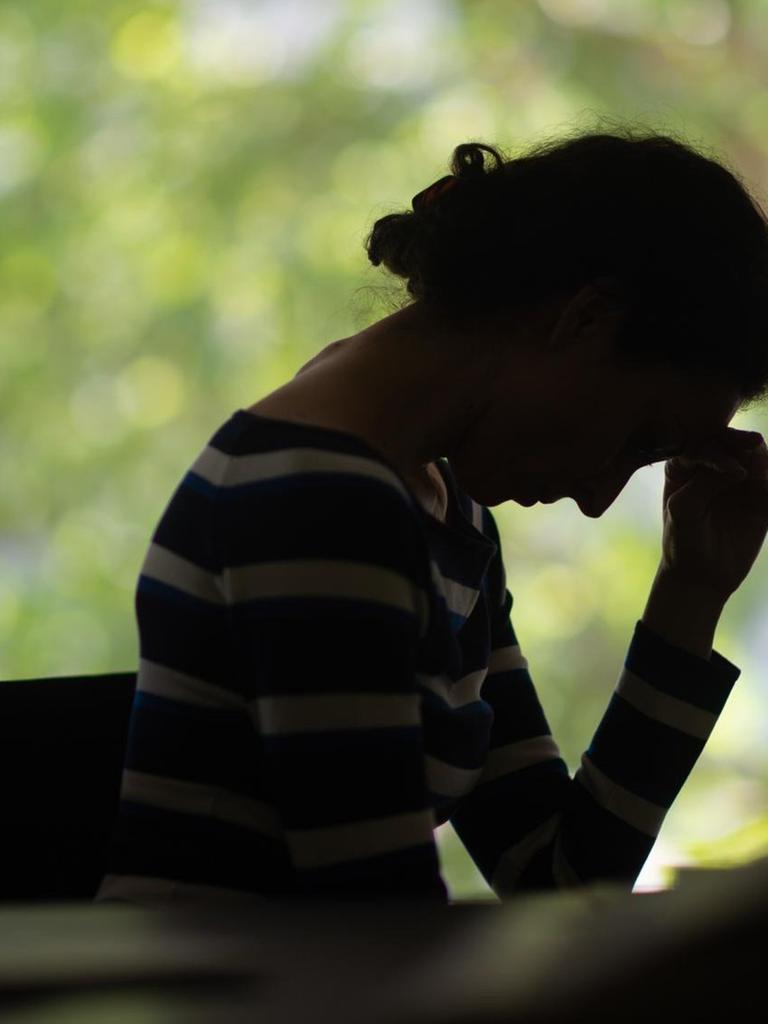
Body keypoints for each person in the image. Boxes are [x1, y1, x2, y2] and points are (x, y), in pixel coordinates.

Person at [95, 126, 768, 907]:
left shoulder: (444, 513)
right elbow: (376, 923)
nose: (597, 499)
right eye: (639, 439)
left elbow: (558, 880)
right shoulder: (316, 501)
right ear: (586, 320)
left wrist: (690, 593)